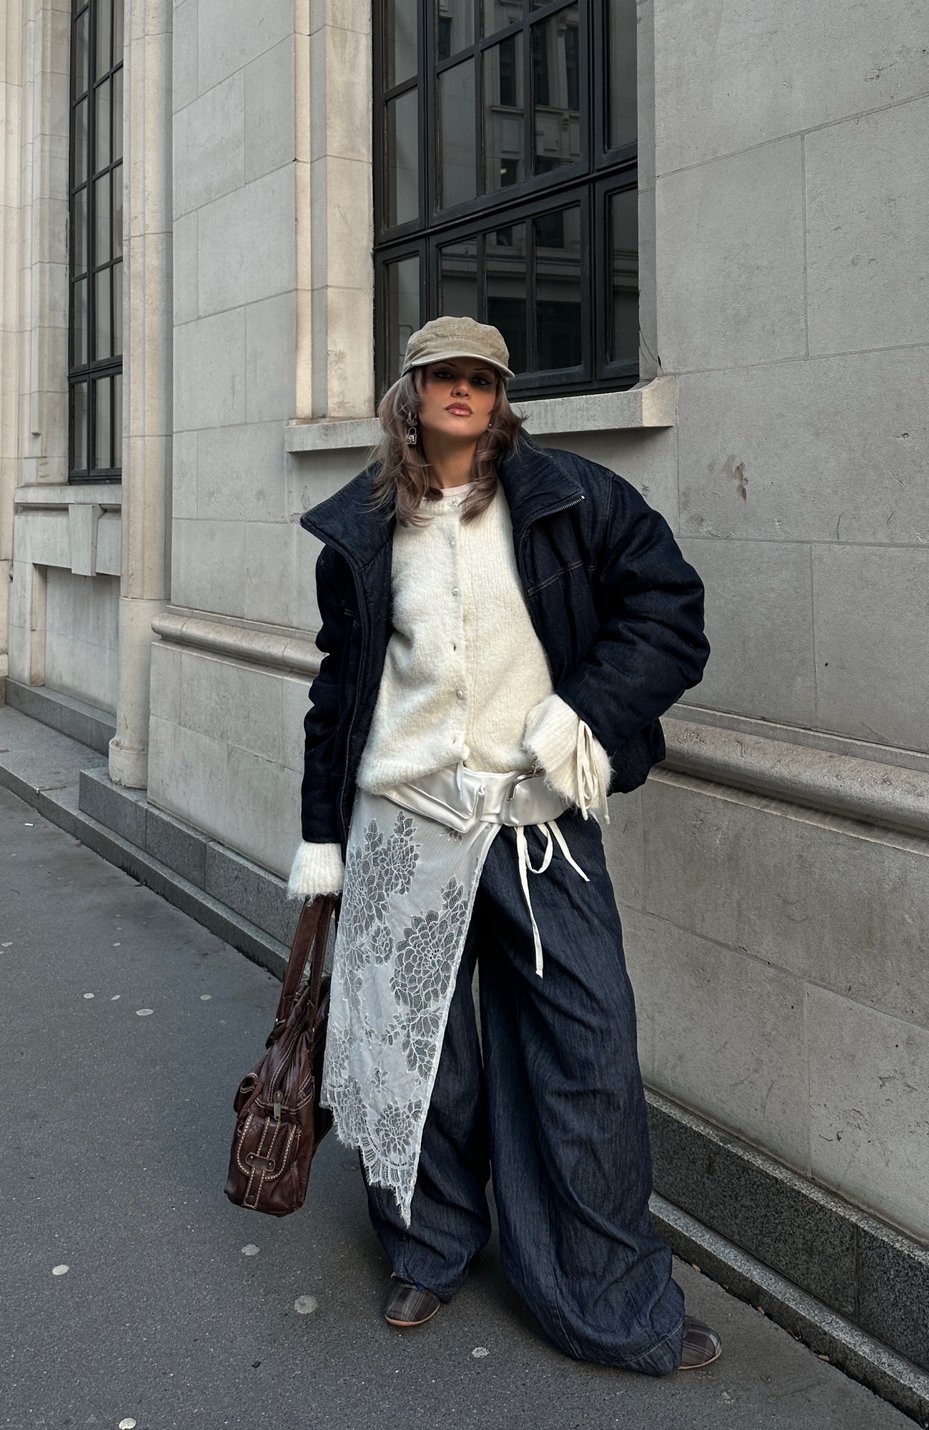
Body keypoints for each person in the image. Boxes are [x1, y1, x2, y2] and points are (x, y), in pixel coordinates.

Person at [287, 316, 720, 1374]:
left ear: (503, 395)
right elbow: (339, 690)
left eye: (482, 376)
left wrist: (584, 714)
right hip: (401, 820)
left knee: (585, 1053)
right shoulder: (363, 525)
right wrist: (318, 837)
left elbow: (668, 614)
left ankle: (602, 1291)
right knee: (417, 1060)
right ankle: (427, 1249)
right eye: (445, 375)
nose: (463, 391)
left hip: (536, 826)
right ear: (411, 392)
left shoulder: (576, 499)